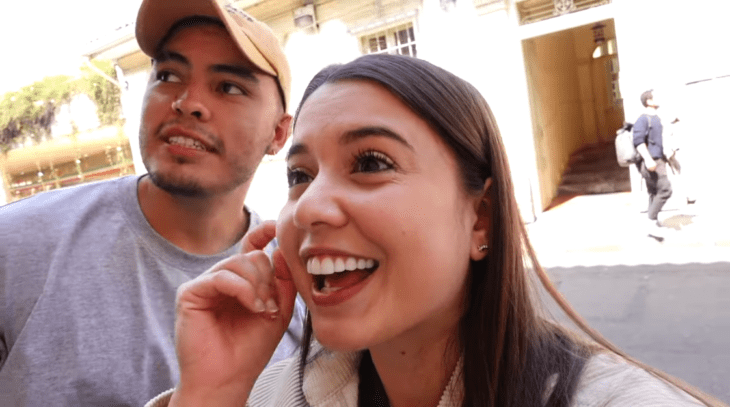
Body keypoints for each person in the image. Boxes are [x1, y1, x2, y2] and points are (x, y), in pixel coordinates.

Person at [147, 55, 725, 407]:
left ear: (482, 218)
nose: (309, 208)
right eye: (300, 175)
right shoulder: (276, 395)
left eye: (371, 163)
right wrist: (211, 395)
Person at [0, 0, 306, 405]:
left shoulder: (299, 289)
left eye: (229, 86)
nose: (187, 102)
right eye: (167, 75)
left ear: (279, 134)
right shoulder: (17, 245)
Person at [633, 89, 673, 240]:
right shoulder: (643, 119)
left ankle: (653, 223)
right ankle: (650, 224)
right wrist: (648, 159)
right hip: (651, 161)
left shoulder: (657, 118)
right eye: (656, 96)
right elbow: (638, 141)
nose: (660, 98)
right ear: (648, 101)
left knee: (654, 192)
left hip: (659, 160)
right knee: (666, 190)